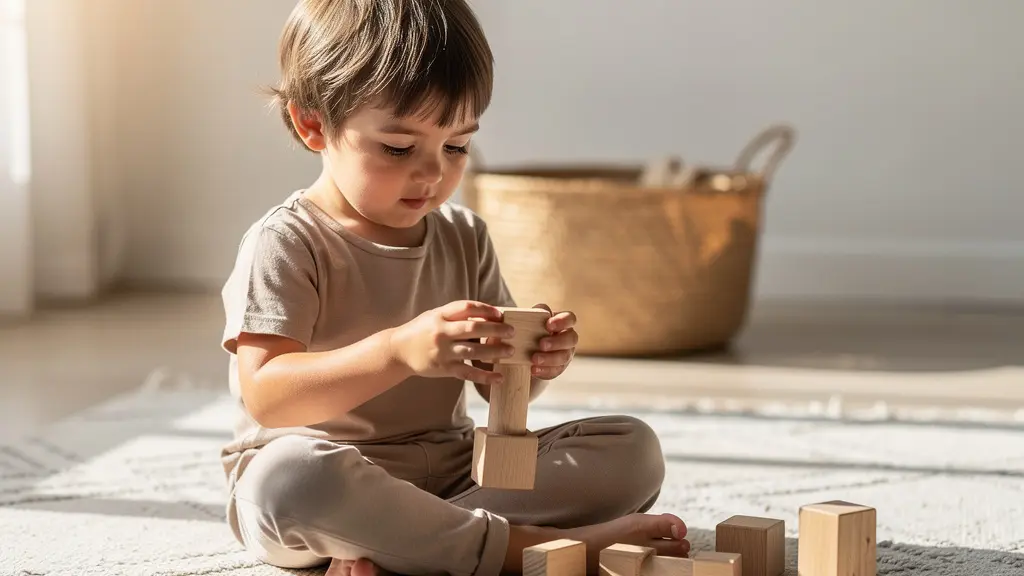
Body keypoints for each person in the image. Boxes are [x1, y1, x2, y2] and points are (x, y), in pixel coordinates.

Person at [218, 1, 690, 575]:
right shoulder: (286, 241)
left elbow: (499, 397)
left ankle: (412, 546)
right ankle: (519, 550)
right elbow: (269, 395)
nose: (433, 173)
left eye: (457, 146)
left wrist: (526, 365)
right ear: (313, 125)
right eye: (398, 148)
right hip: (327, 474)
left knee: (631, 451)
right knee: (286, 479)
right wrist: (398, 351)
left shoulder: (464, 235)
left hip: (454, 474)